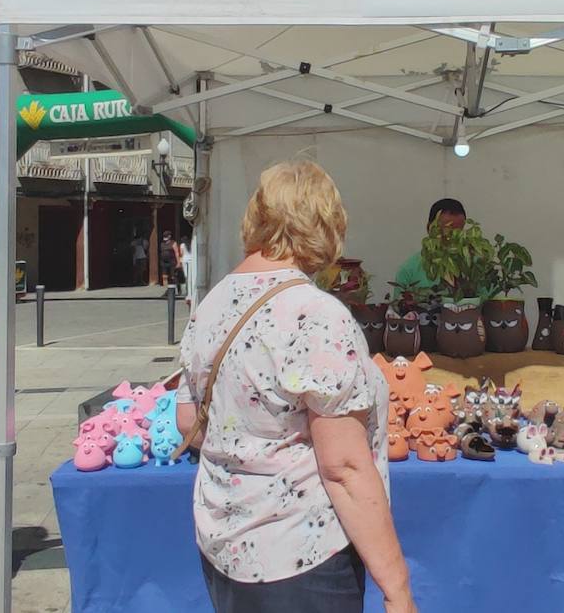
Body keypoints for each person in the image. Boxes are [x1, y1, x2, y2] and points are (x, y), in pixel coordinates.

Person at [176, 160, 415, 613]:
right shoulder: (316, 313)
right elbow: (344, 468)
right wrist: (397, 588)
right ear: (325, 225)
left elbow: (189, 422)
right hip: (301, 556)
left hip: (223, 543)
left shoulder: (211, 303)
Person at [393, 198, 466, 290]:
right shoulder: (409, 270)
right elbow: (399, 303)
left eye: (457, 233)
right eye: (444, 231)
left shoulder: (476, 268)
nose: (450, 238)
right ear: (429, 228)